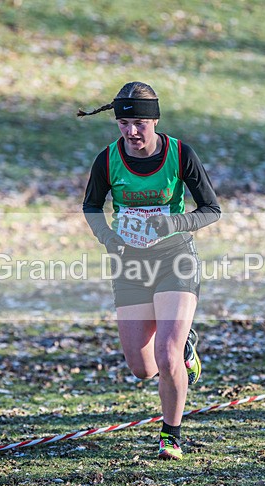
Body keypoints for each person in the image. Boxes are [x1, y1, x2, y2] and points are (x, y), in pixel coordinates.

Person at [79, 81, 221, 460]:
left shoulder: (180, 154)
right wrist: (109, 239)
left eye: (140, 122)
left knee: (167, 353)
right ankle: (184, 345)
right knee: (142, 368)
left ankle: (171, 435)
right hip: (130, 264)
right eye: (124, 124)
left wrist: (174, 224)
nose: (132, 131)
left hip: (176, 258)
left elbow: (211, 209)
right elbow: (91, 206)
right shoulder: (107, 159)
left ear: (155, 120)